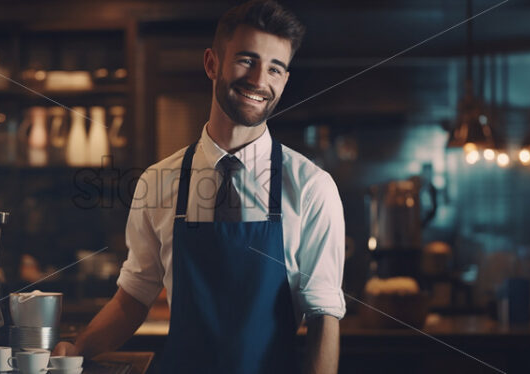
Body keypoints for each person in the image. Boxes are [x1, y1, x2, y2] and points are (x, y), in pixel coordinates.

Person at [54, 1, 345, 373]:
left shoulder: (312, 189)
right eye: (246, 59)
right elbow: (134, 297)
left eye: (275, 68)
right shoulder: (157, 182)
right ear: (212, 64)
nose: (259, 80)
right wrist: (75, 351)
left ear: (285, 80)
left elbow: (323, 316)